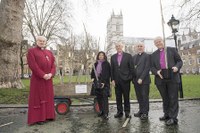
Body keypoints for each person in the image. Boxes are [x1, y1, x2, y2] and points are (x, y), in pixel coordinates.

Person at [151, 36, 183, 126]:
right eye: (156, 42)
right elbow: (151, 67)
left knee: (173, 98)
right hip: (160, 78)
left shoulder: (172, 50)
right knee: (165, 98)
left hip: (172, 76)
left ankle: (173, 118)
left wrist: (177, 67)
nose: (158, 43)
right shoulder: (153, 55)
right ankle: (167, 114)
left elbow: (179, 61)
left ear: (163, 41)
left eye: (159, 41)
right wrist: (156, 72)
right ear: (155, 44)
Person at [27, 36, 56, 125]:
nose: (42, 42)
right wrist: (43, 75)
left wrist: (51, 74)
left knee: (48, 97)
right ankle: (38, 118)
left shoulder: (49, 52)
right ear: (37, 41)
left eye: (44, 41)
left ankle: (49, 116)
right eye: (40, 41)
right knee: (38, 98)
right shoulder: (31, 51)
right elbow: (33, 66)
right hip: (38, 80)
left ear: (46, 42)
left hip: (48, 80)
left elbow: (53, 66)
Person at [111, 42, 133, 118]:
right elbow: (112, 69)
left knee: (126, 97)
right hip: (116, 81)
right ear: (115, 47)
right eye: (117, 46)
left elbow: (131, 68)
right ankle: (119, 112)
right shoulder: (113, 57)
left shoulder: (128, 56)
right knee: (118, 97)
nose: (118, 47)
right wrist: (112, 79)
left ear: (122, 46)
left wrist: (129, 78)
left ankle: (127, 112)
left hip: (126, 80)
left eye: (119, 46)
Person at [132, 42, 151, 120]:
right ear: (136, 47)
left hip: (144, 81)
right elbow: (132, 68)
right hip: (136, 81)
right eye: (138, 46)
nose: (139, 47)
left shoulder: (147, 56)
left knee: (144, 97)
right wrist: (133, 79)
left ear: (144, 47)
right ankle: (141, 111)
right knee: (139, 97)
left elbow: (147, 68)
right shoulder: (134, 57)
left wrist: (141, 78)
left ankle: (145, 113)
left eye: (141, 46)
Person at [91, 51, 111, 120]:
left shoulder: (107, 64)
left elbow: (108, 74)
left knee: (104, 98)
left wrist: (104, 82)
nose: (101, 56)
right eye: (99, 55)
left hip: (104, 83)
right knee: (99, 98)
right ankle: (101, 111)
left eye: (102, 55)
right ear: (98, 56)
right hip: (97, 82)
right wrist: (92, 78)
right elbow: (92, 73)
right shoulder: (95, 64)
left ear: (104, 56)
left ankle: (106, 113)